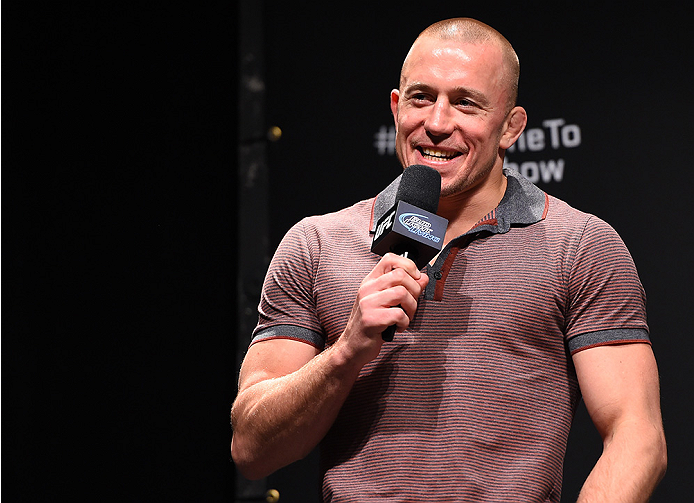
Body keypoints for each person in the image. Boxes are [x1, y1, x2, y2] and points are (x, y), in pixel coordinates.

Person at [231, 18, 667, 502]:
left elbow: (637, 436)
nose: (437, 124)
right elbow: (252, 448)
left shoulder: (579, 244)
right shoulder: (315, 243)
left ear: (510, 127)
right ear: (396, 108)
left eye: (466, 103)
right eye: (421, 98)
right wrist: (348, 349)